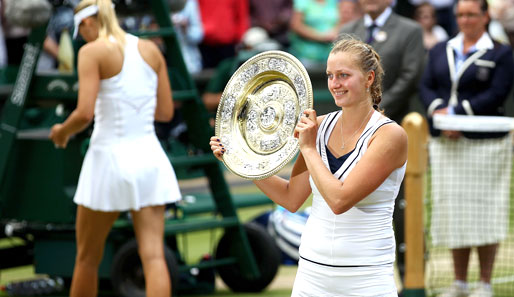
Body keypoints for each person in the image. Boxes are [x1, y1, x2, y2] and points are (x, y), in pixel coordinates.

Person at [210, 35, 407, 296]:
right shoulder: (318, 126)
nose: (335, 84)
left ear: (369, 78)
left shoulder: (389, 136)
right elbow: (291, 198)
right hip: (311, 276)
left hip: (367, 278)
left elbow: (340, 200)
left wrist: (308, 148)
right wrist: (240, 160)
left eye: (344, 75)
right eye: (330, 76)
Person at [49, 0, 182, 296]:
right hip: (149, 159)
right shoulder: (150, 50)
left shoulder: (91, 52)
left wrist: (61, 131)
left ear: (87, 23)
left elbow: (84, 114)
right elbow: (165, 113)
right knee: (153, 256)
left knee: (86, 258)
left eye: (79, 30)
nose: (80, 37)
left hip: (107, 161)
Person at [419, 0, 514, 295]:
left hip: (485, 145)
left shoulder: (502, 52)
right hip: (446, 144)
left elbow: (497, 92)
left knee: (485, 210)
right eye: (460, 14)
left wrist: (457, 114)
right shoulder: (440, 48)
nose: (465, 19)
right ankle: (459, 282)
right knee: (454, 210)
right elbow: (427, 86)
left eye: (472, 14)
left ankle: (484, 283)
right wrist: (440, 113)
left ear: (485, 16)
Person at [288, 0, 340, 68]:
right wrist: (321, 37)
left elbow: (343, 18)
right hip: (307, 55)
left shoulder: (333, 2)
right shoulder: (302, 2)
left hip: (330, 54)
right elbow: (296, 25)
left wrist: (335, 31)